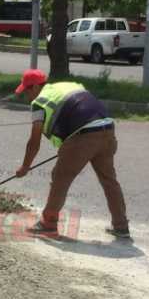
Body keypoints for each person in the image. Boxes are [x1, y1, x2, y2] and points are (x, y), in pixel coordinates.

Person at [14, 69, 130, 239]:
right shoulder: (68, 85)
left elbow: (34, 142)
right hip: (107, 130)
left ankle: (48, 223)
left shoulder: (39, 102)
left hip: (84, 135)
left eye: (27, 91)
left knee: (60, 177)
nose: (27, 96)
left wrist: (25, 166)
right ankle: (121, 226)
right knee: (109, 180)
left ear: (35, 87)